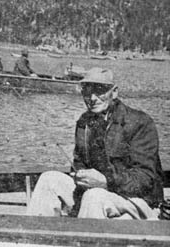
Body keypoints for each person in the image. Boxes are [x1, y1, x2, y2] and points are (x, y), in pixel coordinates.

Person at [28, 67, 164, 219]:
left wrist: (106, 181)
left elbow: (145, 179)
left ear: (114, 92)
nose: (92, 98)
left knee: (94, 196)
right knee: (49, 179)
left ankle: (84, 238)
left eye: (99, 91)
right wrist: (80, 176)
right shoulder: (84, 122)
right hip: (100, 193)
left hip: (139, 201)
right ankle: (37, 239)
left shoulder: (140, 122)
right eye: (86, 91)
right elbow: (79, 162)